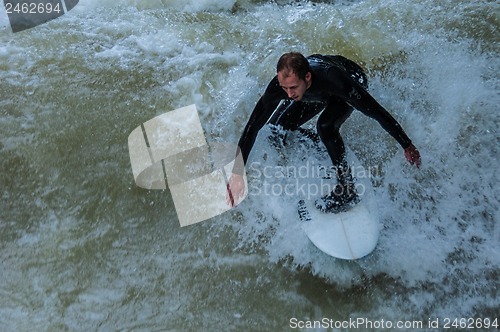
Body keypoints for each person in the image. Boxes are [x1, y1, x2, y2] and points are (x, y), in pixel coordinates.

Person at [227, 52, 420, 212]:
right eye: (284, 88)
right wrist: (237, 173)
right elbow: (253, 125)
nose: (288, 94)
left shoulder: (334, 80)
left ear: (307, 77)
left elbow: (375, 111)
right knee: (278, 129)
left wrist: (406, 144)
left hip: (350, 80)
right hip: (316, 92)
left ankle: (347, 189)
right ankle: (322, 145)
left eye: (293, 87)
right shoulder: (283, 86)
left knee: (325, 127)